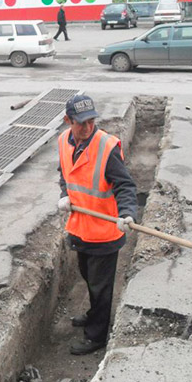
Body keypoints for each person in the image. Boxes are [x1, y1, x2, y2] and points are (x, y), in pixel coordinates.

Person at [58, 95, 137, 355]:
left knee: (101, 287)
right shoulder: (63, 142)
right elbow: (65, 173)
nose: (87, 127)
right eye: (81, 123)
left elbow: (125, 185)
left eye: (91, 121)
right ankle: (94, 315)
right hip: (80, 228)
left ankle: (97, 336)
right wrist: (64, 195)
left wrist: (127, 213)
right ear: (68, 120)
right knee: (88, 277)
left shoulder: (106, 147)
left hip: (104, 232)